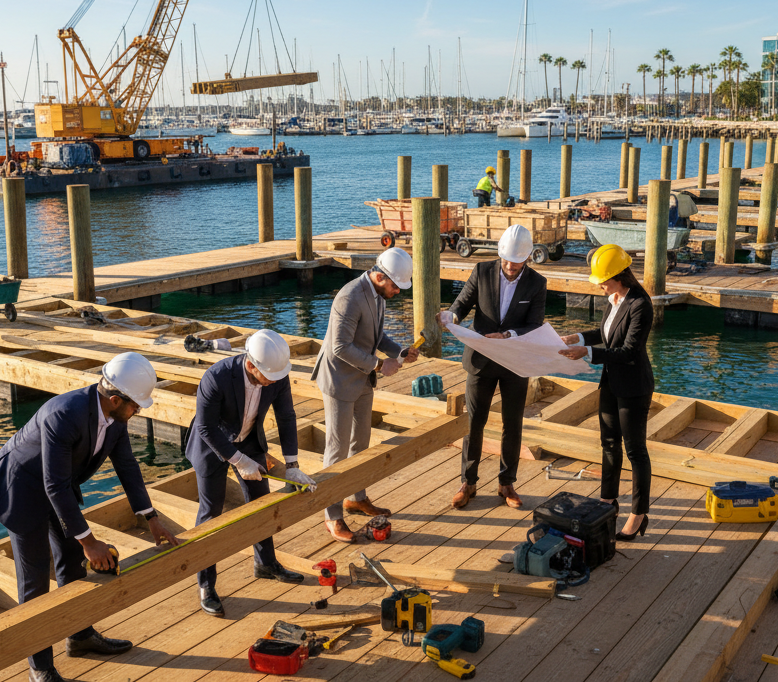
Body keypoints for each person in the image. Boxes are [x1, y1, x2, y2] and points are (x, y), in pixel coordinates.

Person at [0, 352, 179, 682]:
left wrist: (151, 519)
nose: (139, 410)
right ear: (115, 399)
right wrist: (90, 541)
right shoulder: (65, 414)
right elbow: (53, 484)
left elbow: (128, 467)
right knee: (35, 581)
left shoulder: (115, 419)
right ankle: (40, 668)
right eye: (136, 405)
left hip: (58, 482)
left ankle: (80, 636)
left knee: (71, 560)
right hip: (24, 487)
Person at [187, 329, 316, 618]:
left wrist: (292, 465)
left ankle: (265, 563)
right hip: (212, 444)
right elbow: (206, 428)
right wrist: (238, 460)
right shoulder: (216, 377)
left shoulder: (277, 375)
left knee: (261, 503)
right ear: (250, 365)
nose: (274, 381)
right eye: (269, 376)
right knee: (211, 514)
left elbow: (286, 416)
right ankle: (206, 585)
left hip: (248, 439)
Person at [312, 247, 420, 542]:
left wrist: (399, 352)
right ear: (380, 276)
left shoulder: (377, 294)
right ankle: (332, 515)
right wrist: (378, 363)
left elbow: (376, 336)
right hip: (339, 380)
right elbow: (339, 347)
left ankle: (355, 497)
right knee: (336, 449)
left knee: (360, 442)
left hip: (361, 379)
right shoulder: (349, 297)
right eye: (396, 286)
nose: (398, 292)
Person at [440, 225, 547, 510]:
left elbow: (534, 325)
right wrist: (451, 314)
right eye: (507, 260)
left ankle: (506, 483)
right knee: (474, 422)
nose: (511, 266)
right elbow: (462, 303)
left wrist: (508, 335)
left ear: (528, 258)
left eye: (518, 261)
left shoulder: (537, 283)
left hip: (515, 362)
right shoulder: (482, 270)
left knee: (512, 425)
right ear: (500, 254)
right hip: (480, 360)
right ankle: (468, 482)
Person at [558, 244, 655, 542]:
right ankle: (607, 501)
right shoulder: (613, 298)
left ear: (619, 275)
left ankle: (638, 514)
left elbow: (627, 350)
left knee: (635, 450)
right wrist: (577, 336)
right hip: (611, 382)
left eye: (603, 280)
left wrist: (586, 351)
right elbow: (607, 334)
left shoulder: (641, 304)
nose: (599, 285)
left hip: (633, 386)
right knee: (609, 443)